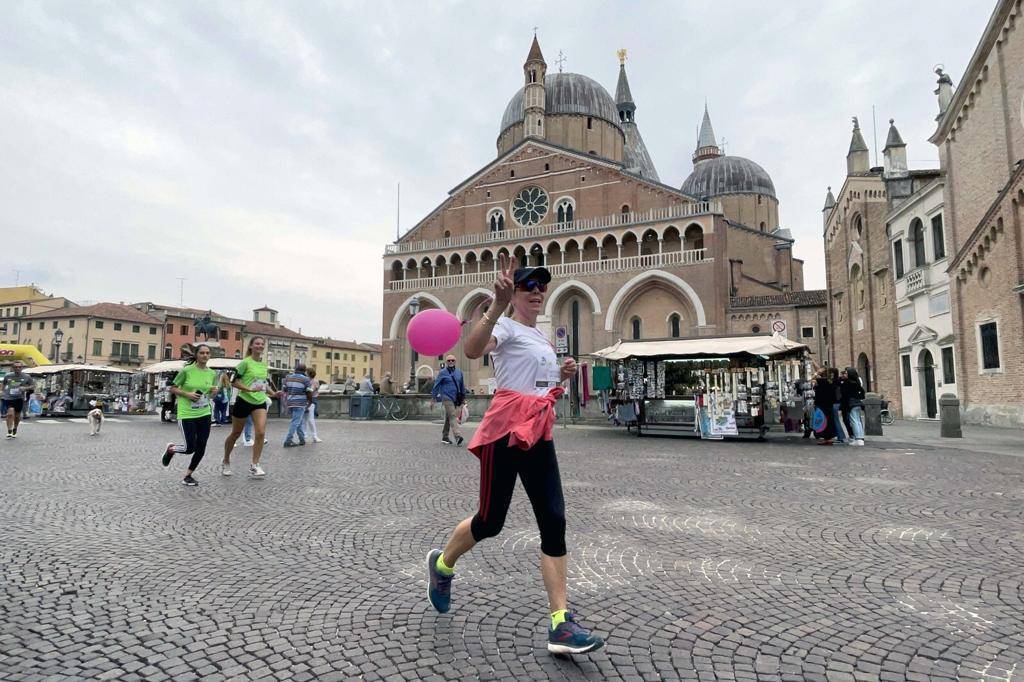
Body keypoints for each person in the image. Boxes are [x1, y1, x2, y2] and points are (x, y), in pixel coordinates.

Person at [425, 254, 604, 655]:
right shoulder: (502, 324)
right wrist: (496, 304)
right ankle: (442, 565)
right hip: (505, 430)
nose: (538, 291)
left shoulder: (541, 337)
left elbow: (536, 380)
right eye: (530, 285)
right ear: (515, 292)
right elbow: (471, 350)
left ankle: (560, 624)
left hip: (538, 429)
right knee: (490, 521)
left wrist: (562, 375)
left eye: (542, 285)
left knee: (554, 520)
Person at [161, 344, 218, 486]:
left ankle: (188, 475)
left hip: (204, 412)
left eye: (207, 353)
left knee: (201, 447)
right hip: (187, 414)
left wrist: (213, 392)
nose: (205, 355)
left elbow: (209, 395)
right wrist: (187, 394)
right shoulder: (187, 371)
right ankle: (171, 449)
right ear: (197, 355)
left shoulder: (212, 373)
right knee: (189, 448)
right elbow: (172, 388)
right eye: (202, 353)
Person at [222, 336, 280, 477]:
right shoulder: (245, 363)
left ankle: (254, 465)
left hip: (259, 401)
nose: (260, 346)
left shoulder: (263, 365)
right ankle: (226, 460)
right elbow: (233, 382)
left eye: (262, 344)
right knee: (236, 433)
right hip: (244, 400)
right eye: (257, 344)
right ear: (251, 346)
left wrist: (274, 393)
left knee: (260, 433)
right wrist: (248, 389)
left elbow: (263, 384)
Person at [432, 355, 467, 446]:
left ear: (455, 362)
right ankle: (458, 436)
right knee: (452, 415)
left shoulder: (459, 372)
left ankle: (445, 436)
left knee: (449, 417)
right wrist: (433, 398)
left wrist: (463, 398)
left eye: (452, 360)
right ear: (446, 362)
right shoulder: (442, 372)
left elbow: (462, 385)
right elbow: (436, 385)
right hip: (447, 397)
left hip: (456, 398)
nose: (451, 362)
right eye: (449, 361)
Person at [282, 364, 313, 447]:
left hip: (290, 402)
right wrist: (310, 401)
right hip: (300, 403)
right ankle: (288, 440)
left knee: (298, 421)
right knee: (295, 422)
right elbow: (309, 392)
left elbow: (285, 390)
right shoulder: (305, 379)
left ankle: (302, 439)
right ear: (304, 370)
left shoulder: (288, 378)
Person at [3, 361, 35, 439]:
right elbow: (4, 384)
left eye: (19, 367)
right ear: (12, 368)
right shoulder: (7, 376)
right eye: (16, 367)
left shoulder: (27, 376)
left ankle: (15, 428)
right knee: (10, 413)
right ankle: (9, 430)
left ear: (22, 368)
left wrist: (25, 388)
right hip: (8, 397)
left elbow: (33, 386)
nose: (18, 368)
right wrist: (3, 392)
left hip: (19, 398)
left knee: (17, 416)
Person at [840, 367, 866, 446]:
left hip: (851, 403)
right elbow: (862, 392)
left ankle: (858, 439)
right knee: (858, 421)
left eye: (847, 373)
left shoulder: (847, 383)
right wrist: (858, 397)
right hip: (857, 403)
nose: (845, 374)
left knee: (854, 421)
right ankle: (860, 438)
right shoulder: (856, 382)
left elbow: (844, 394)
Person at [813, 368, 838, 445]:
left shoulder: (821, 381)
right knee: (829, 420)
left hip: (822, 403)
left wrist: (817, 372)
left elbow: (813, 378)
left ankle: (826, 437)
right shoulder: (832, 381)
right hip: (829, 403)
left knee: (823, 420)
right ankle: (829, 437)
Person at [827, 368, 848, 444]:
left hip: (835, 403)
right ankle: (840, 437)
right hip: (837, 402)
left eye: (831, 373)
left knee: (836, 420)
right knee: (836, 420)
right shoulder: (838, 381)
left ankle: (841, 437)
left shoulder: (835, 382)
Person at [304, 367, 322, 443]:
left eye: (306, 372)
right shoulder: (306, 380)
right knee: (304, 419)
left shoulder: (315, 381)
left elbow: (311, 390)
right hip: (305, 400)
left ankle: (314, 436)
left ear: (309, 373)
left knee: (310, 419)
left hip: (311, 400)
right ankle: (304, 435)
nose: (304, 373)